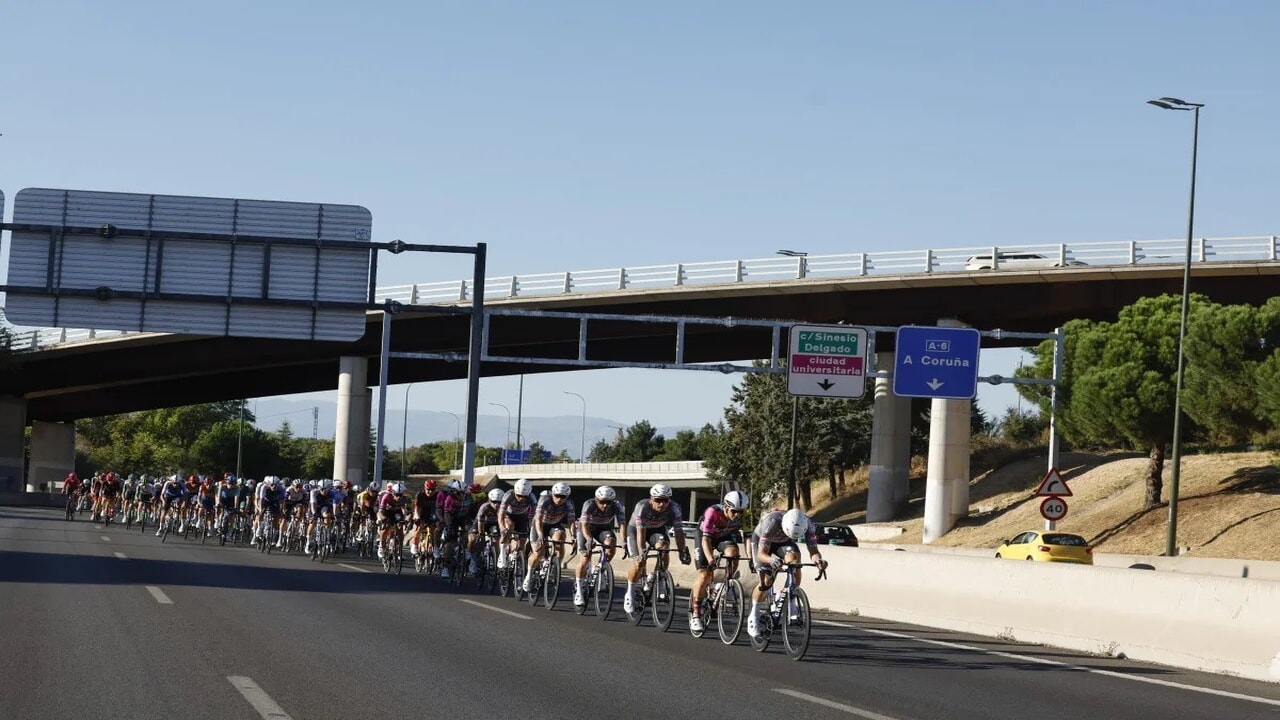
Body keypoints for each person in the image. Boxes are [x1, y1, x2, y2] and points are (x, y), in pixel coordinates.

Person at [748, 508, 827, 639]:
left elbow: (813, 550)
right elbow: (761, 554)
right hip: (762, 542)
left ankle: (786, 594)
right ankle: (754, 614)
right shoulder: (771, 522)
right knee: (766, 582)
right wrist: (772, 559)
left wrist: (818, 560)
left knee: (795, 561)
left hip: (784, 541)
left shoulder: (808, 524)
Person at [624, 483, 691, 614]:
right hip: (636, 531)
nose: (661, 504)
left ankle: (657, 577)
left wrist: (682, 551)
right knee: (639, 562)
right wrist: (642, 551)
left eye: (665, 500)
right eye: (658, 500)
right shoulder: (642, 507)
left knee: (664, 548)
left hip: (656, 530)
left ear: (669, 500)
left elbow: (678, 532)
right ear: (651, 498)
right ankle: (629, 593)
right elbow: (640, 535)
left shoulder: (675, 508)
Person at [689, 490, 749, 633]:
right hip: (705, 537)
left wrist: (751, 558)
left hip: (724, 536)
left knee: (733, 554)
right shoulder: (712, 512)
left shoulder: (746, 515)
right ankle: (696, 614)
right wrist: (710, 559)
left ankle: (723, 585)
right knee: (704, 574)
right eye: (734, 511)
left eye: (741, 512)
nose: (737, 515)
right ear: (726, 507)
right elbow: (706, 540)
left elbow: (748, 537)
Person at [574, 485, 625, 607]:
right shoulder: (589, 504)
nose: (605, 506)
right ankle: (579, 591)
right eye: (602, 502)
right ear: (597, 499)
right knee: (585, 557)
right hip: (586, 529)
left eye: (608, 503)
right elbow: (584, 525)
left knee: (611, 544)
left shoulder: (617, 505)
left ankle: (602, 569)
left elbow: (622, 524)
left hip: (603, 529)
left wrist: (624, 541)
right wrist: (589, 539)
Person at [523, 482, 576, 595]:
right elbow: (538, 520)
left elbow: (571, 521)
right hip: (540, 525)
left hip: (554, 525)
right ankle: (529, 576)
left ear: (567, 497)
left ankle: (554, 566)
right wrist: (541, 535)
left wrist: (574, 536)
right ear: (552, 494)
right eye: (557, 496)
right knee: (538, 552)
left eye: (563, 497)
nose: (559, 499)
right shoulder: (545, 500)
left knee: (560, 539)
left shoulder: (569, 504)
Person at [497, 479, 535, 570]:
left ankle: (517, 556)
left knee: (522, 544)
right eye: (518, 495)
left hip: (522, 517)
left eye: (524, 496)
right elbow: (501, 514)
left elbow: (534, 516)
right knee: (509, 527)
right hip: (508, 515)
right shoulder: (508, 495)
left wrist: (532, 530)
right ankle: (502, 553)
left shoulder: (532, 497)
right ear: (515, 492)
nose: (521, 498)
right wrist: (502, 527)